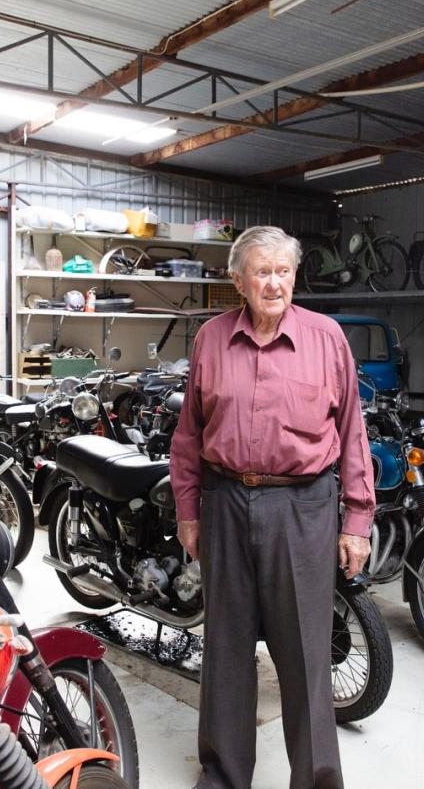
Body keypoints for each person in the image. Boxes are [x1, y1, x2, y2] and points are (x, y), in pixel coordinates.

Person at [169, 225, 375, 789]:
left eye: (283, 271)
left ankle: (315, 779)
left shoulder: (326, 337)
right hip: (226, 501)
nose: (275, 282)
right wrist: (188, 509)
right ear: (239, 281)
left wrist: (357, 520)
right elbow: (189, 433)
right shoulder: (211, 338)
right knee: (226, 651)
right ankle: (223, 776)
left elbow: (352, 432)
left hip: (303, 508)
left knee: (306, 653)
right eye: (262, 271)